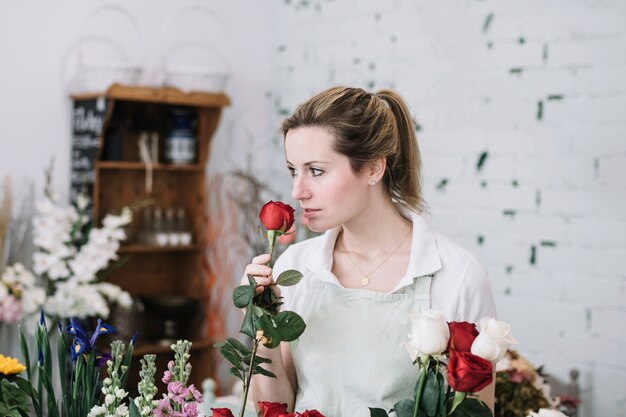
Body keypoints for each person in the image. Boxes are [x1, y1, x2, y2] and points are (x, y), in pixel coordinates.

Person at [245, 86, 497, 417]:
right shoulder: (296, 266)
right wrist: (262, 319)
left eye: (316, 171)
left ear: (374, 169)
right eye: (294, 170)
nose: (297, 191)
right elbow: (277, 407)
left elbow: (477, 411)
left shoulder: (457, 274)